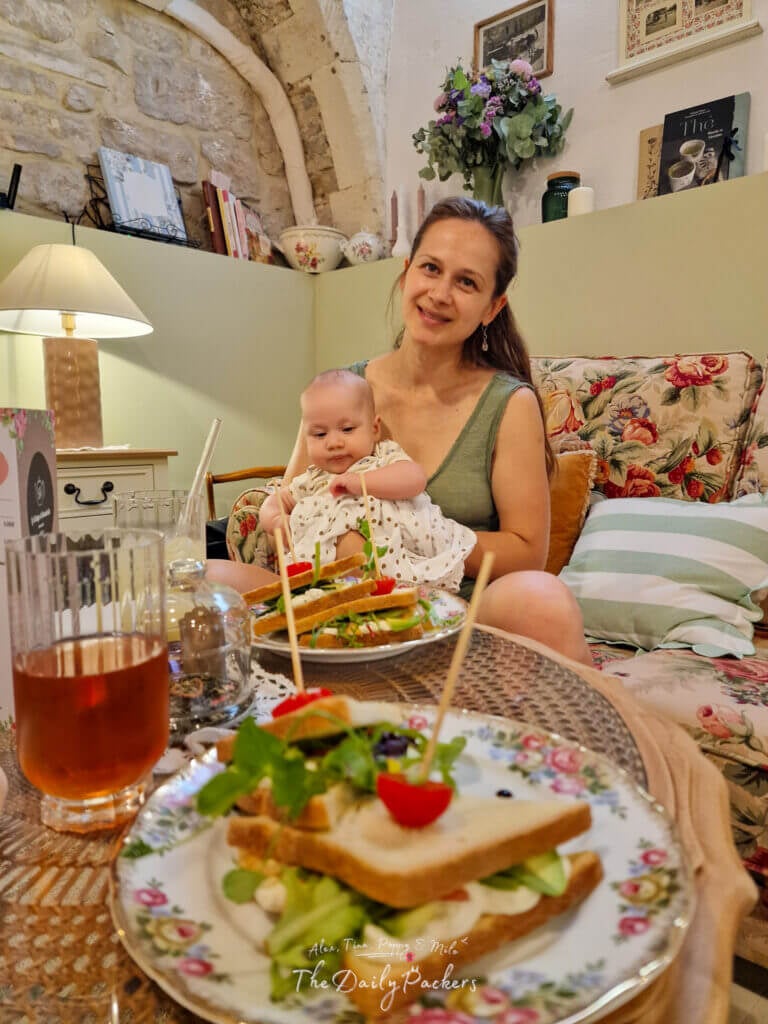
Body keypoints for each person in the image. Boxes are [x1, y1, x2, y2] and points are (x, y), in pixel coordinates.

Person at [209, 196, 591, 665]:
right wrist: (278, 513)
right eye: (431, 268)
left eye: (466, 282)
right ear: (406, 271)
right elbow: (292, 500)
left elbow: (527, 553)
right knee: (202, 582)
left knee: (542, 600)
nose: (440, 293)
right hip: (328, 600)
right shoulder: (343, 389)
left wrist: (403, 536)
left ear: (493, 307)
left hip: (451, 614)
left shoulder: (509, 404)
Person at [259, 368, 475, 590]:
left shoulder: (382, 457)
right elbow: (276, 500)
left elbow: (415, 479)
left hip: (397, 564)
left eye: (347, 429)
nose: (333, 442)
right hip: (334, 582)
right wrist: (276, 519)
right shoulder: (314, 479)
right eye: (320, 434)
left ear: (374, 429)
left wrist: (360, 482)